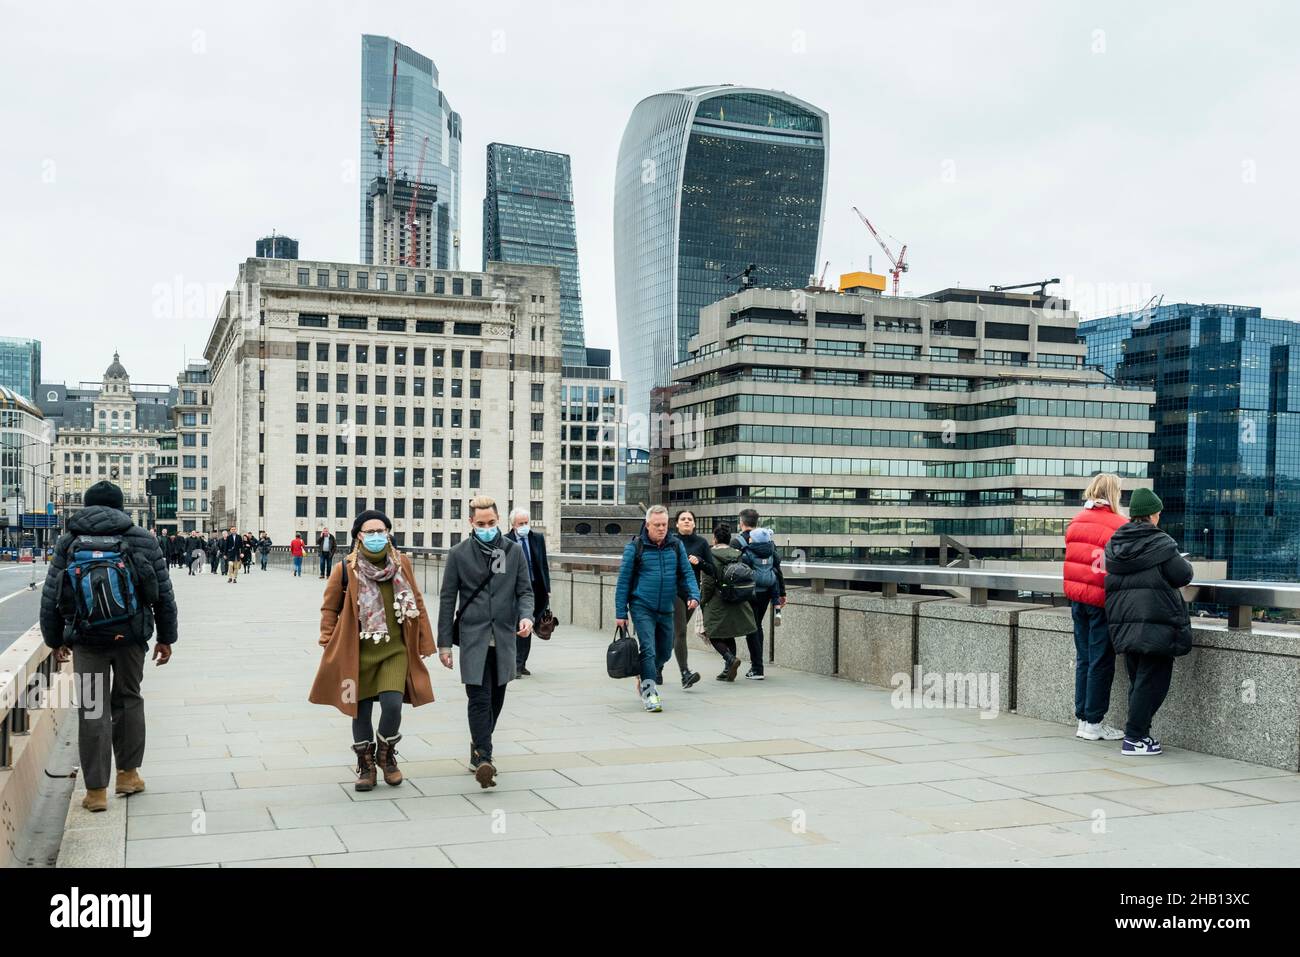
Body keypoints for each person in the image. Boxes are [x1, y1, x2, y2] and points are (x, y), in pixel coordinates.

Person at [38, 481, 177, 813]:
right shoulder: (142, 538)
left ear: (86, 506)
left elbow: (51, 594)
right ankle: (128, 776)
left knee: (92, 709)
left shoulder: (69, 541)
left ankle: (96, 792)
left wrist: (55, 640)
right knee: (128, 700)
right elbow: (163, 592)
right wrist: (166, 638)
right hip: (130, 637)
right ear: (120, 507)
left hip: (86, 639)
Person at [311, 510, 435, 791]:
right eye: (371, 532)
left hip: (394, 650)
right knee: (360, 711)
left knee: (392, 705)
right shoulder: (345, 568)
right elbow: (329, 607)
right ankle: (366, 766)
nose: (377, 536)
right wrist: (327, 639)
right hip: (357, 653)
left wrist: (425, 641)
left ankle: (386, 753)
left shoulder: (401, 563)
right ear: (358, 536)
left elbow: (416, 600)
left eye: (382, 531)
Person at [437, 496, 534, 789]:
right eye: (481, 524)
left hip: (504, 638)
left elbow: (525, 591)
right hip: (473, 638)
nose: (487, 528)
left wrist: (527, 617)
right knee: (479, 698)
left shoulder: (512, 552)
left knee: (496, 699)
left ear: (498, 521)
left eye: (492, 523)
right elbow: (446, 599)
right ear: (471, 523)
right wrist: (443, 644)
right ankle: (484, 759)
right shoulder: (458, 554)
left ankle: (478, 745)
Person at [1103, 488, 1194, 757]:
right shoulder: (1160, 542)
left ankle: (1139, 735)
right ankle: (1135, 738)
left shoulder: (1116, 542)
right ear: (1153, 514)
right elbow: (1182, 575)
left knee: (1139, 680)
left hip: (1124, 621)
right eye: (1158, 513)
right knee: (1153, 681)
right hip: (1155, 622)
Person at [613, 505, 700, 713]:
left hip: (667, 606)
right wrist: (620, 613)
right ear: (647, 525)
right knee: (649, 650)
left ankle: (644, 673)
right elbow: (623, 581)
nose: (662, 528)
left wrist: (694, 594)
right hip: (642, 605)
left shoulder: (676, 546)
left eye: (664, 524)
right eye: (657, 525)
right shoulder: (635, 548)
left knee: (664, 652)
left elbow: (687, 573)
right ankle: (650, 693)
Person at [1063, 472, 1127, 742]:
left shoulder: (1076, 521)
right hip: (1102, 601)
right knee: (1101, 661)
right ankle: (1094, 723)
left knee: (1084, 659)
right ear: (1114, 494)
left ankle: (1082, 719)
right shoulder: (1118, 524)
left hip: (1077, 598)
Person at [731, 509, 787, 680]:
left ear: (741, 522)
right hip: (767, 591)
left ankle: (757, 668)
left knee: (751, 627)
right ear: (757, 522)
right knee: (757, 626)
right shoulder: (768, 541)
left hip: (747, 592)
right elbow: (776, 568)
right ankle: (756, 666)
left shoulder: (737, 542)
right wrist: (782, 592)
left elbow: (732, 569)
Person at [699, 523, 756, 682]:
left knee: (712, 633)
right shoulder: (737, 553)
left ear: (715, 538)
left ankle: (730, 660)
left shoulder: (709, 555)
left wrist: (703, 601)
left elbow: (708, 583)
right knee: (729, 634)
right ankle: (728, 669)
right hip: (737, 598)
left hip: (717, 600)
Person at [505, 507, 550, 677]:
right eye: (520, 523)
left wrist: (548, 588)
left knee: (529, 624)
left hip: (535, 587)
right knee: (519, 624)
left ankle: (522, 663)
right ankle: (515, 664)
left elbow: (543, 564)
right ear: (513, 525)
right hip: (514, 589)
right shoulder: (505, 540)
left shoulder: (537, 538)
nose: (524, 526)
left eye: (526, 523)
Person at [670, 509, 711, 690]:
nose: (686, 521)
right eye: (683, 519)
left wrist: (699, 562)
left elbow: (712, 569)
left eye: (689, 519)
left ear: (694, 524)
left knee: (674, 632)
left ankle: (656, 666)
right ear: (677, 524)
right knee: (680, 631)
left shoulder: (701, 543)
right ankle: (685, 673)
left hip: (692, 593)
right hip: (673, 591)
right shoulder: (671, 541)